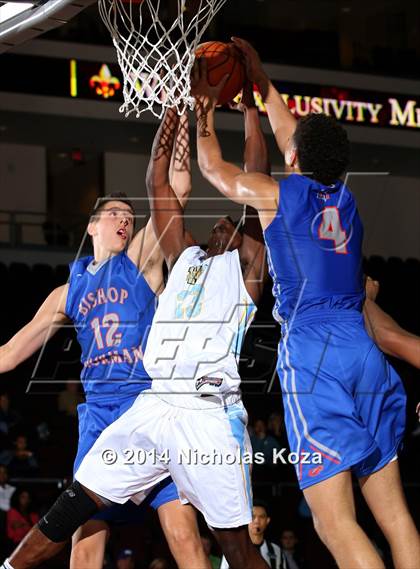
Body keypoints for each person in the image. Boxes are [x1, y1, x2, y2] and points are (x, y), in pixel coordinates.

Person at [0, 85, 270, 569]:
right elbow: (8, 354)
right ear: (92, 226)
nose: (125, 221)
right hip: (114, 411)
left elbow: (178, 188)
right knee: (83, 533)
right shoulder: (70, 291)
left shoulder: (148, 259)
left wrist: (185, 117)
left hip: (162, 400)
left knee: (187, 537)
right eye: (115, 215)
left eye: (129, 216)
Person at [193, 40, 420, 569]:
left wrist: (202, 105)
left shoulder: (278, 195)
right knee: (394, 515)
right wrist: (262, 80)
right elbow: (295, 136)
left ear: (294, 158)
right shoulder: (345, 196)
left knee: (333, 523)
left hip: (314, 353)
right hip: (363, 350)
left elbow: (213, 168)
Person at [220, 501, 288, 569]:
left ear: (267, 520)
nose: (257, 521)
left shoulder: (276, 550)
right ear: (246, 519)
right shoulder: (233, 549)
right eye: (253, 516)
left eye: (261, 517)